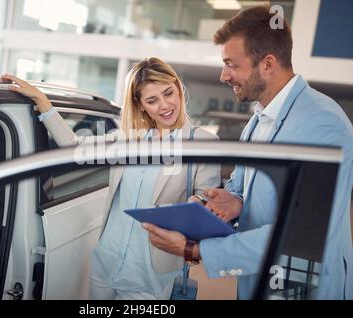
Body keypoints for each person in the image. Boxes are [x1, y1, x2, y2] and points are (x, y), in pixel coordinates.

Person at [143, 5, 353, 299]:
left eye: (231, 64)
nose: (223, 75)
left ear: (267, 64)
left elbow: (302, 235)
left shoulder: (323, 124)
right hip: (258, 281)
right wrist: (226, 202)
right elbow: (240, 189)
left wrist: (196, 249)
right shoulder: (258, 120)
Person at [0, 57, 221, 299]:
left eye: (169, 93)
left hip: (151, 273)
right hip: (107, 260)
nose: (165, 105)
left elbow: (208, 199)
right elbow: (74, 146)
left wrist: (196, 203)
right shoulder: (128, 138)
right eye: (152, 100)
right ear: (140, 104)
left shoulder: (203, 142)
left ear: (178, 89)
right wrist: (43, 102)